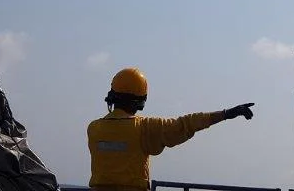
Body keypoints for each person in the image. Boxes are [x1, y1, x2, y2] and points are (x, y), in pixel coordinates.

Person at [87, 67, 254, 191]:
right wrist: (226, 114)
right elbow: (185, 124)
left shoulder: (94, 129)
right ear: (141, 100)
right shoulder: (145, 128)